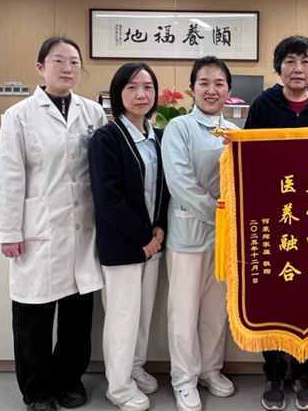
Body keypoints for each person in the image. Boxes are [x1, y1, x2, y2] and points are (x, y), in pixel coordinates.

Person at [0, 36, 106, 411]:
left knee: (77, 315)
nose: (68, 68)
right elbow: (9, 176)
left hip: (81, 227)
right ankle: (37, 391)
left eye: (74, 61)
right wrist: (9, 230)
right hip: (38, 229)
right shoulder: (19, 115)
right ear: (40, 68)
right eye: (59, 61)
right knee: (33, 316)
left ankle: (69, 380)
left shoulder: (93, 113)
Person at [244, 35, 308, 411]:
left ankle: (303, 373)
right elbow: (247, 156)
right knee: (273, 296)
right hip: (273, 214)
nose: (298, 68)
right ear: (278, 67)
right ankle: (273, 373)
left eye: (305, 61)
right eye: (289, 61)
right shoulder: (263, 104)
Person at [88, 62, 170, 411]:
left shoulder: (157, 137)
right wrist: (143, 236)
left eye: (148, 87)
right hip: (123, 244)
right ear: (117, 93)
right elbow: (108, 199)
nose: (141, 94)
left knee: (142, 314)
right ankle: (119, 386)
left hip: (153, 243)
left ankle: (135, 367)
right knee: (122, 317)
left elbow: (164, 188)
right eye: (132, 87)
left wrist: (159, 227)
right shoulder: (106, 138)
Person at [162, 56, 238, 411]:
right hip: (188, 236)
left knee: (214, 310)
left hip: (224, 241)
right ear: (192, 89)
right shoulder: (179, 128)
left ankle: (210, 369)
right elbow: (180, 182)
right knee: (184, 311)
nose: (211, 90)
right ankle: (184, 379)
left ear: (229, 90)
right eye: (204, 83)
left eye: (219, 83)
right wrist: (220, 216)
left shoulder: (235, 132)